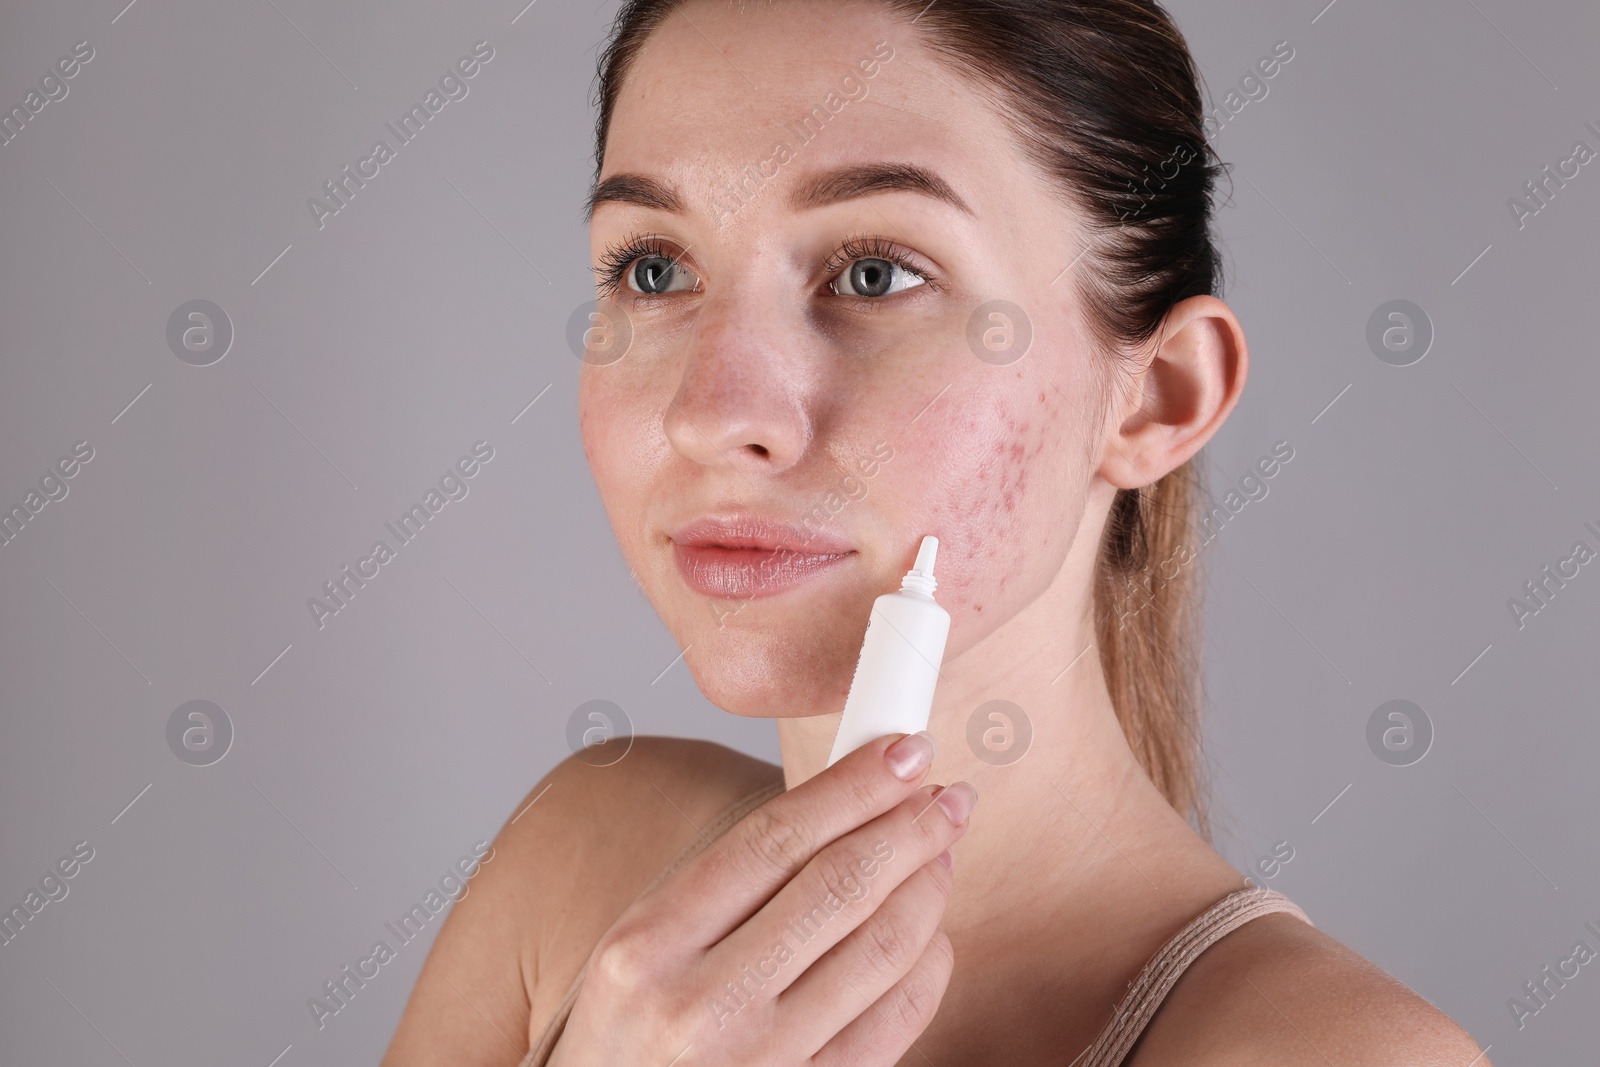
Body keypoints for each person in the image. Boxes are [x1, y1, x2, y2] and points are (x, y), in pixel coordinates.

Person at [382, 1, 1490, 1063]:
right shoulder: (576, 866)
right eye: (655, 269)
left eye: (875, 272)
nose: (713, 411)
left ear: (1155, 398)